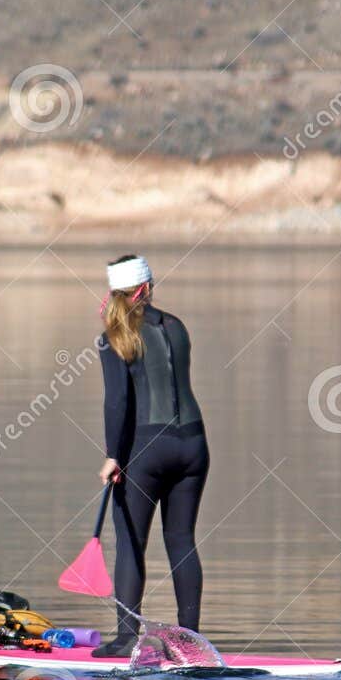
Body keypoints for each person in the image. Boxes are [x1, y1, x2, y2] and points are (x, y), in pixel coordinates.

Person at [93, 254, 209, 658]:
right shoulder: (177, 326)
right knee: (181, 541)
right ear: (149, 285)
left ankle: (127, 638)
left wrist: (113, 456)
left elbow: (118, 403)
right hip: (194, 445)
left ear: (114, 291)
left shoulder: (114, 337)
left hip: (146, 450)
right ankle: (190, 641)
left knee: (129, 542)